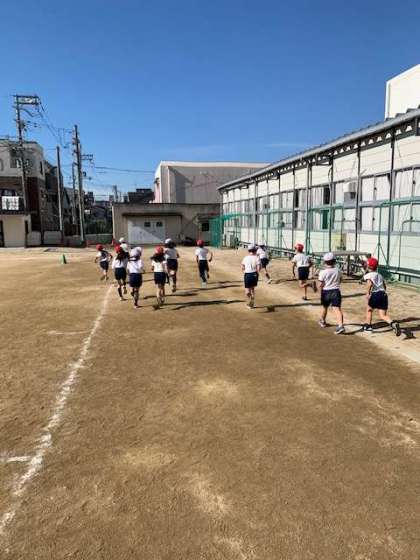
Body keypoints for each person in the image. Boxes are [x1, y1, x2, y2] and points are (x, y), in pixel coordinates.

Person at [362, 257, 401, 336]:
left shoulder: (369, 275)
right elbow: (384, 286)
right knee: (383, 315)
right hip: (383, 295)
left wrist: (367, 293)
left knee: (369, 310)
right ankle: (393, 323)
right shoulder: (380, 275)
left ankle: (368, 327)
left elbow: (369, 284)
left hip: (375, 294)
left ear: (369, 266)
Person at [318, 252, 345, 334]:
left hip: (326, 291)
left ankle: (322, 321)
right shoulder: (338, 271)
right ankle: (340, 325)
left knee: (325, 307)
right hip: (336, 291)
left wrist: (320, 292)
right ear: (334, 261)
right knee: (337, 309)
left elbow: (321, 284)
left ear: (325, 262)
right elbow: (340, 280)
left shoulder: (323, 272)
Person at [241, 244, 261, 309]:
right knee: (252, 288)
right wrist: (257, 274)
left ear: (248, 251)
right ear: (255, 250)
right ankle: (252, 302)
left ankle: (250, 300)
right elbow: (258, 268)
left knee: (247, 291)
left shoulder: (245, 258)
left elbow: (242, 267)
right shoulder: (257, 258)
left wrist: (245, 272)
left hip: (247, 274)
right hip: (254, 274)